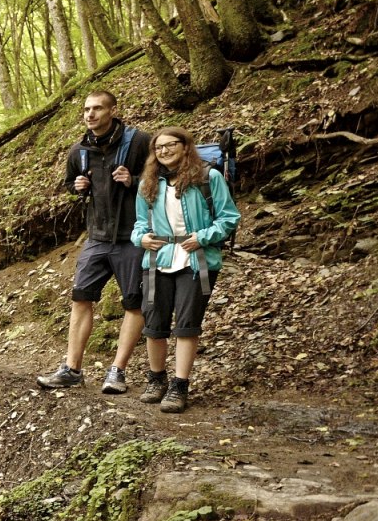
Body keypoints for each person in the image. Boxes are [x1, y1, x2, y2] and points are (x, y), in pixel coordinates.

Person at [37, 90, 151, 393]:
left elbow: (164, 178)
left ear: (113, 110)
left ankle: (117, 372)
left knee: (133, 304)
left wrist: (134, 181)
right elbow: (70, 184)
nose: (91, 114)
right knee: (81, 298)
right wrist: (77, 186)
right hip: (97, 237)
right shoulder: (79, 150)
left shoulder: (139, 141)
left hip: (134, 236)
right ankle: (72, 369)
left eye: (98, 108)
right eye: (87, 109)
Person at [131, 127, 241, 412]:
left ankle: (179, 386)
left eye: (170, 145)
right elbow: (140, 224)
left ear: (185, 146)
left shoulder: (208, 177)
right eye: (159, 147)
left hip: (196, 260)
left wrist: (202, 237)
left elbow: (229, 218)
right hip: (158, 259)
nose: (164, 151)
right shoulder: (148, 183)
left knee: (186, 325)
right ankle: (156, 379)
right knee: (154, 325)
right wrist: (140, 238)